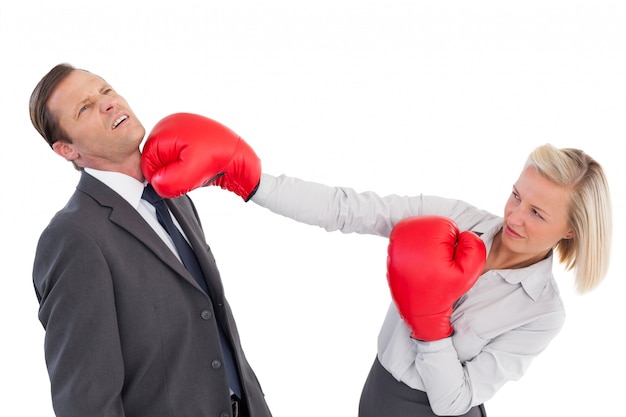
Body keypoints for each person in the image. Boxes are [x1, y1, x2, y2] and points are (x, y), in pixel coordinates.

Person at [140, 113, 613, 417]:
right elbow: (347, 208)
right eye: (516, 194)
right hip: (378, 392)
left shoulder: (542, 313)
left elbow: (454, 401)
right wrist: (251, 180)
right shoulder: (455, 219)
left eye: (537, 213)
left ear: (570, 230)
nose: (513, 215)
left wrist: (431, 324)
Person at [28, 64, 273, 417]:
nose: (107, 103)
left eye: (105, 91)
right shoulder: (73, 237)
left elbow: (208, 322)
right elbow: (86, 402)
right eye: (84, 108)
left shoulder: (174, 197)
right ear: (66, 149)